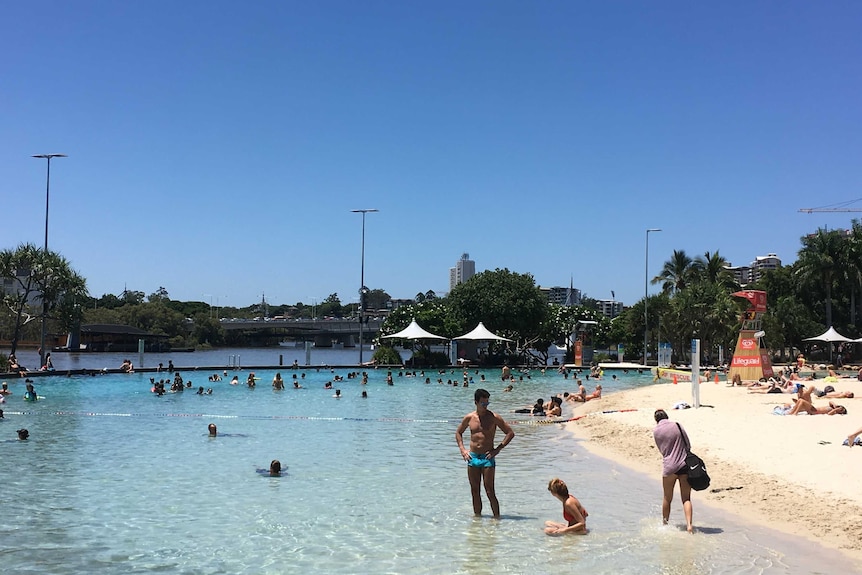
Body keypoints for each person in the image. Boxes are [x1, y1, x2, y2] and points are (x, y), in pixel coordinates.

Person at [455, 388, 515, 518]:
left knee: (489, 491)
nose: (486, 406)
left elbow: (510, 433)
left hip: (488, 457)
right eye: (483, 403)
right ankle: (477, 521)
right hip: (473, 457)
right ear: (476, 402)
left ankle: (497, 519)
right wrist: (462, 450)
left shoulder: (494, 417)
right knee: (474, 490)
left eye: (487, 403)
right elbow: (458, 432)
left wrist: (498, 449)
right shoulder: (469, 418)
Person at [653, 409, 694, 533]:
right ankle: (689, 526)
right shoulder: (677, 425)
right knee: (686, 498)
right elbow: (688, 444)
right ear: (667, 416)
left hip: (669, 467)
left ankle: (665, 524)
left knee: (667, 498)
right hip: (683, 465)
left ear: (656, 420)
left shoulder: (656, 431)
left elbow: (662, 449)